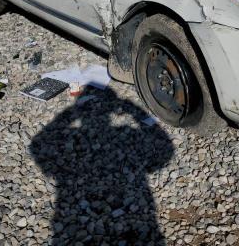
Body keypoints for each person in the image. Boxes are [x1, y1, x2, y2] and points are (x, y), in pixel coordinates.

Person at [30, 88, 174, 245]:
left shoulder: (80, 135)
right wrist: (134, 110)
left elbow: (38, 144)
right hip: (141, 211)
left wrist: (73, 112)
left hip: (68, 221)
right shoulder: (125, 131)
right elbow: (166, 152)